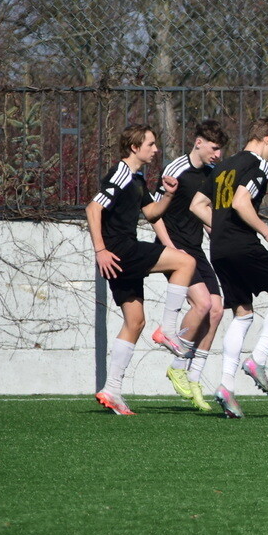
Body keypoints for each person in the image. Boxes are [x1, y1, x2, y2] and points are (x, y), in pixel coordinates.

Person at [85, 124, 204, 415]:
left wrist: (169, 195)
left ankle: (111, 389)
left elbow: (151, 213)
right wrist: (100, 250)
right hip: (121, 251)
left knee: (135, 322)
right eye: (150, 144)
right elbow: (93, 208)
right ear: (134, 147)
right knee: (186, 261)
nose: (155, 149)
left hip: (118, 257)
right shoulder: (121, 173)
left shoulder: (137, 177)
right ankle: (168, 330)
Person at [198, 118, 268, 418]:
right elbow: (242, 202)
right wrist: (267, 232)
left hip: (219, 249)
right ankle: (259, 358)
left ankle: (226, 387)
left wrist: (218, 227)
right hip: (242, 244)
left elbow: (197, 204)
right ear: (267, 140)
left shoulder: (224, 166)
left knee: (242, 314)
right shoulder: (259, 164)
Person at [153, 120, 228, 412]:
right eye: (214, 148)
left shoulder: (211, 174)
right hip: (174, 250)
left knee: (217, 310)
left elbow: (206, 214)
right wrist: (169, 248)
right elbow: (154, 213)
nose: (218, 154)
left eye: (221, 149)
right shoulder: (176, 169)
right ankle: (178, 365)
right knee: (202, 304)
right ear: (199, 142)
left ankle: (194, 376)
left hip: (196, 249)